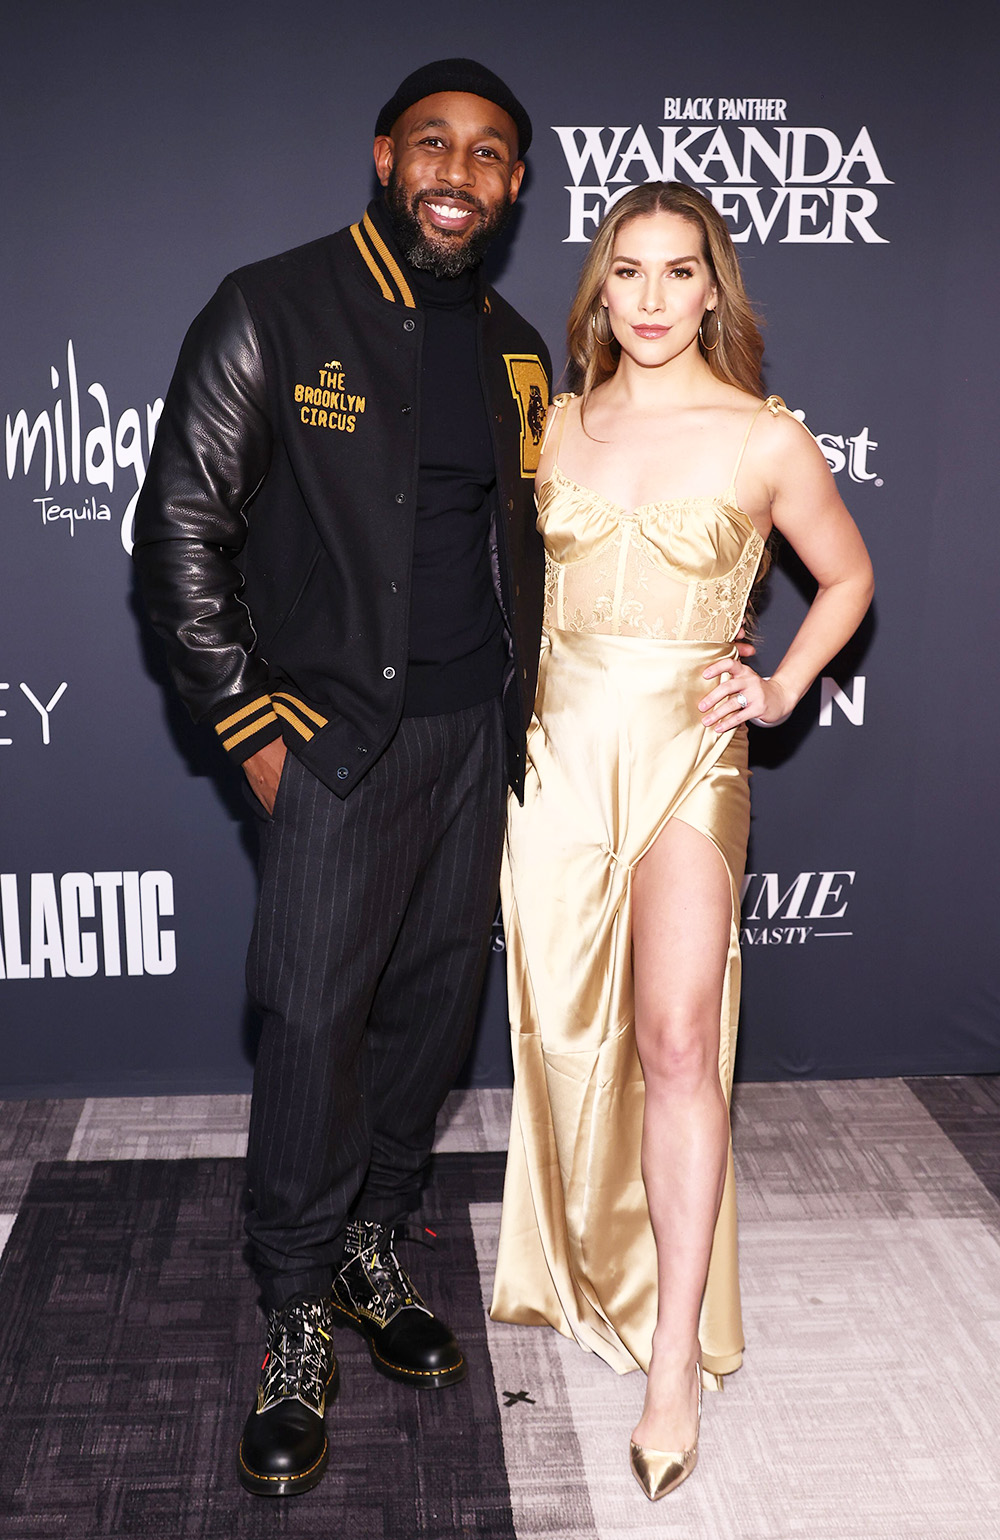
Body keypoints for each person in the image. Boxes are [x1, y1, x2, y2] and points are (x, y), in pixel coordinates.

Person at [133, 58, 550, 1497]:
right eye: (434, 142)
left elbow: (525, 550)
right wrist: (249, 726)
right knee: (314, 1023)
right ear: (384, 158)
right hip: (332, 741)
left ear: (510, 189)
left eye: (489, 154)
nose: (458, 169)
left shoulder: (515, 346)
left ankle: (376, 1242)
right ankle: (295, 1306)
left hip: (473, 739)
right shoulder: (275, 306)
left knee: (435, 1007)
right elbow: (179, 528)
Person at [490, 181, 873, 1500]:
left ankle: (671, 1364)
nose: (652, 300)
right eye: (628, 273)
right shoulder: (559, 424)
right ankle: (585, 1257)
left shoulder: (764, 437)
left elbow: (850, 575)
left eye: (679, 273)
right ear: (601, 288)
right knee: (562, 1028)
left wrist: (780, 688)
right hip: (555, 752)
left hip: (688, 753)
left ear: (716, 289)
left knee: (673, 1038)